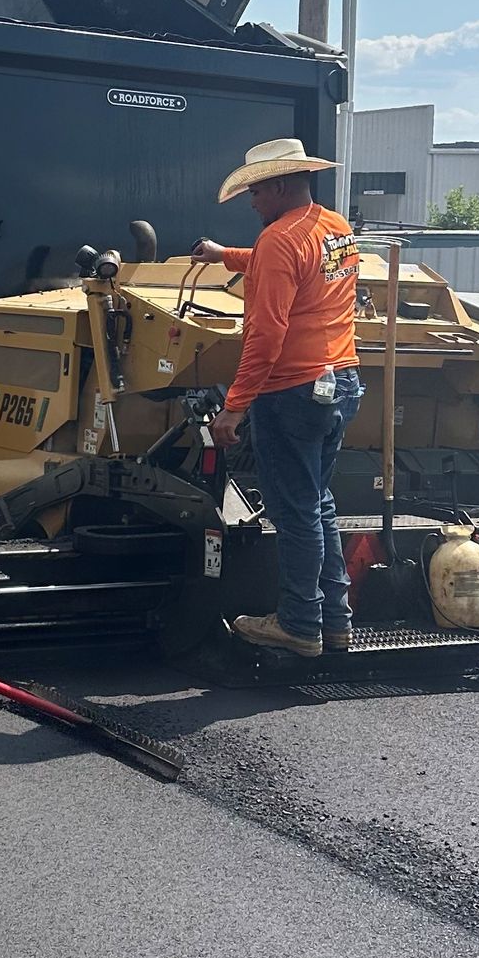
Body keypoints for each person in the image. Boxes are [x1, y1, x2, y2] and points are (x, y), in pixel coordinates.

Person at [191, 136, 362, 658]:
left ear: (281, 185)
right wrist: (227, 257)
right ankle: (335, 621)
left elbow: (265, 334)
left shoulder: (278, 240)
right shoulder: (336, 229)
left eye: (257, 191)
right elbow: (286, 265)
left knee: (293, 513)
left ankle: (298, 625)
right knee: (318, 504)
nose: (252, 201)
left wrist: (235, 405)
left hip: (291, 390)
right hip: (340, 383)